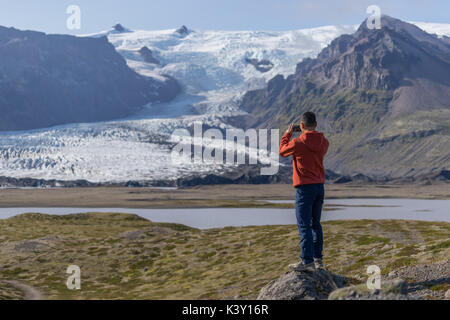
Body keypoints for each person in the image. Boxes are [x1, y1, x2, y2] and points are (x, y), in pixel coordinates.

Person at [279, 111, 329, 271]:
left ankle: (306, 262)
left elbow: (282, 151)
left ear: (301, 126)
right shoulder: (324, 142)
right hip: (319, 187)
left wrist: (287, 134)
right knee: (316, 224)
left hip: (304, 188)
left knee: (304, 225)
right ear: (315, 124)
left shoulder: (298, 143)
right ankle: (317, 260)